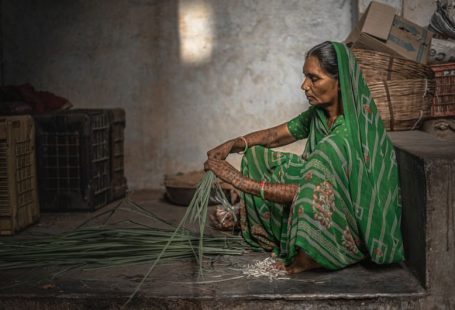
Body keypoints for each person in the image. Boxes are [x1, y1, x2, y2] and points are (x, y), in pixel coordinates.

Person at [204, 41, 405, 274]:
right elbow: (274, 136)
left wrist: (237, 180)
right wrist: (234, 144)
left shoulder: (343, 136)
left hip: (345, 215)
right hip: (319, 185)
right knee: (256, 156)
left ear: (340, 83)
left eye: (314, 78)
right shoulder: (319, 115)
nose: (304, 86)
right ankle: (268, 230)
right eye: (305, 77)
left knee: (306, 184)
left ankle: (308, 258)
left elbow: (304, 192)